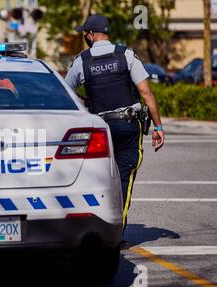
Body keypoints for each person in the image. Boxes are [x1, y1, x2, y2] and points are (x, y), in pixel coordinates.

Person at [65, 14, 165, 243]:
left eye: (85, 34)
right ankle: (115, 234)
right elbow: (146, 93)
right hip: (128, 125)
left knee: (97, 178)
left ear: (90, 35)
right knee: (123, 178)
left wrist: (85, 102)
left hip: (99, 128)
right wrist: (158, 126)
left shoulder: (82, 60)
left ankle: (95, 228)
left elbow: (65, 92)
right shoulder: (126, 55)